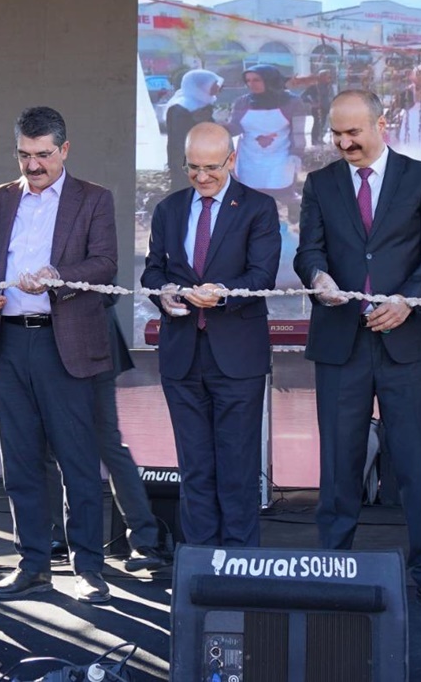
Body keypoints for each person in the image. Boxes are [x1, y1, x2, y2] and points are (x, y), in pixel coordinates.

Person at [293, 90, 421, 617]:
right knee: (339, 464)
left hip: (406, 341)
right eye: (336, 135)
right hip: (341, 340)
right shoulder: (321, 184)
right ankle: (332, 570)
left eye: (353, 134)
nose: (344, 144)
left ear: (381, 124)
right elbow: (308, 251)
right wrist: (316, 277)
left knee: (415, 461)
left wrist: (407, 302)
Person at [0, 106, 117, 604]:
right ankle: (31, 564)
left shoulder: (93, 199)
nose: (33, 165)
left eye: (43, 155)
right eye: (25, 155)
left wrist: (59, 277)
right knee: (22, 464)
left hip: (64, 344)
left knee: (77, 462)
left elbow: (105, 264)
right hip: (7, 343)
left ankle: (88, 569)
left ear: (64, 150)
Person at [142, 122, 281, 547]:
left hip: (237, 356)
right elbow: (153, 270)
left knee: (238, 467)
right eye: (193, 168)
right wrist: (163, 294)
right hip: (181, 355)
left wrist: (221, 296)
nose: (202, 177)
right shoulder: (169, 209)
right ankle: (199, 562)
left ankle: (241, 564)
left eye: (212, 168)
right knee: (195, 466)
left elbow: (262, 276)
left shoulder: (258, 208)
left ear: (232, 160)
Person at [46, 303, 169, 571]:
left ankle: (146, 540)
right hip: (46, 345)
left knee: (107, 443)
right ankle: (59, 535)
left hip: (91, 344)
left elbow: (104, 282)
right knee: (47, 445)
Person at [227, 64, 308, 215]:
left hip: (280, 155)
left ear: (270, 80)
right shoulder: (242, 102)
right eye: (248, 80)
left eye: (257, 80)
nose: (252, 84)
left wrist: (297, 153)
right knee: (249, 196)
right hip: (249, 157)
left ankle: (295, 218)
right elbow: (236, 127)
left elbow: (298, 132)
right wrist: (219, 128)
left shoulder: (292, 102)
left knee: (282, 191)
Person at [164, 69, 223, 178]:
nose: (218, 88)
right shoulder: (180, 107)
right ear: (201, 86)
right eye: (214, 84)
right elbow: (179, 140)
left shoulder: (203, 103)